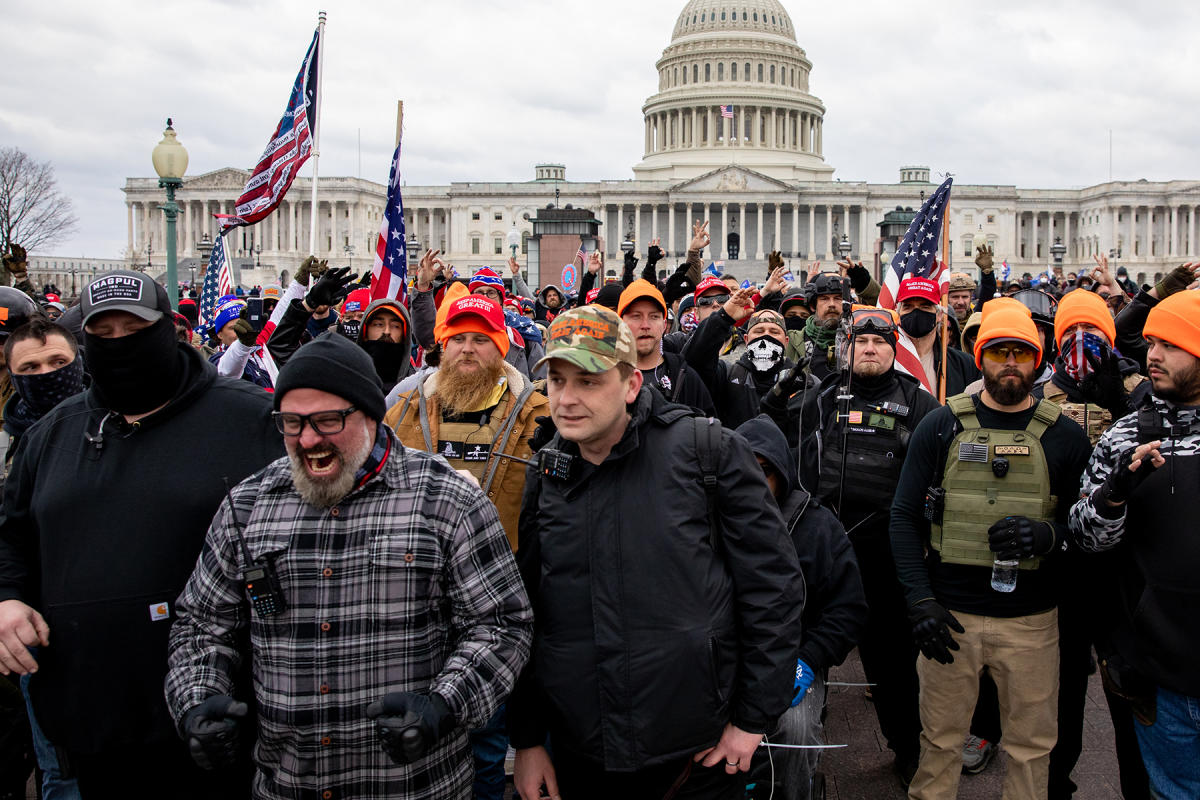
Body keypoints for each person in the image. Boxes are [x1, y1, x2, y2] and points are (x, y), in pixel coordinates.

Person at [165, 334, 532, 800]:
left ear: (370, 415)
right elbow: (202, 624)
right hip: (287, 786)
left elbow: (502, 623)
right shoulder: (248, 506)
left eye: (327, 420)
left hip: (415, 787)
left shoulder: (447, 501)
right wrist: (198, 700)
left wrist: (443, 704)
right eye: (292, 423)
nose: (308, 439)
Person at [0, 270, 283, 797]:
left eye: (132, 329)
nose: (118, 346)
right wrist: (7, 600)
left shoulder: (251, 420)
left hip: (228, 717)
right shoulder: (51, 435)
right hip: (95, 720)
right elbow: (11, 536)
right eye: (101, 336)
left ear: (167, 331)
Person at [509, 306, 804, 800]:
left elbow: (773, 587)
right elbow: (529, 612)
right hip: (583, 752)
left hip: (695, 754)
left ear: (630, 385)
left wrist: (753, 719)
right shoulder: (546, 473)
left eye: (587, 381)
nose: (566, 399)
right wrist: (528, 739)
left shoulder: (706, 450)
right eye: (557, 381)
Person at [889, 305, 1091, 800]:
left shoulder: (1066, 437)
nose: (1009, 364)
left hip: (1031, 622)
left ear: (1036, 361)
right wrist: (919, 600)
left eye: (1021, 353)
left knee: (1031, 749)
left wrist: (1047, 536)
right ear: (979, 359)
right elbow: (903, 516)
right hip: (950, 616)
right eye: (998, 352)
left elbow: (1087, 527)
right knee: (938, 744)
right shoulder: (941, 426)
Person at [775, 307, 940, 787]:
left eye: (879, 343)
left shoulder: (921, 404)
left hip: (889, 555)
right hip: (826, 554)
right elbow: (793, 465)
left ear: (894, 350)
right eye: (860, 342)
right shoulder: (821, 398)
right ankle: (801, 752)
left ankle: (907, 747)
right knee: (810, 652)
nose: (869, 349)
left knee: (894, 667)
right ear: (846, 348)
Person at [1069, 289, 1200, 800]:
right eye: (1150, 343)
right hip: (1162, 670)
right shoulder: (1126, 436)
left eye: (1171, 344)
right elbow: (1084, 536)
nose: (1153, 356)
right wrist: (1114, 493)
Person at [737, 415, 868, 800]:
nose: (752, 483)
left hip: (792, 663)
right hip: (725, 663)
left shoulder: (818, 527)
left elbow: (849, 609)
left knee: (792, 730)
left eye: (763, 472)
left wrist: (809, 659)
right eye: (741, 471)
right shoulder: (705, 520)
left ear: (781, 473)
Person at [617, 279, 714, 415]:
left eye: (654, 316)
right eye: (636, 316)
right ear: (621, 324)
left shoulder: (686, 377)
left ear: (664, 325)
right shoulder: (607, 377)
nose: (645, 325)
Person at [894, 276, 980, 397]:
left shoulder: (965, 365)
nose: (916, 313)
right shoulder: (886, 361)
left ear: (939, 315)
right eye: (908, 307)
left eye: (925, 306)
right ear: (898, 314)